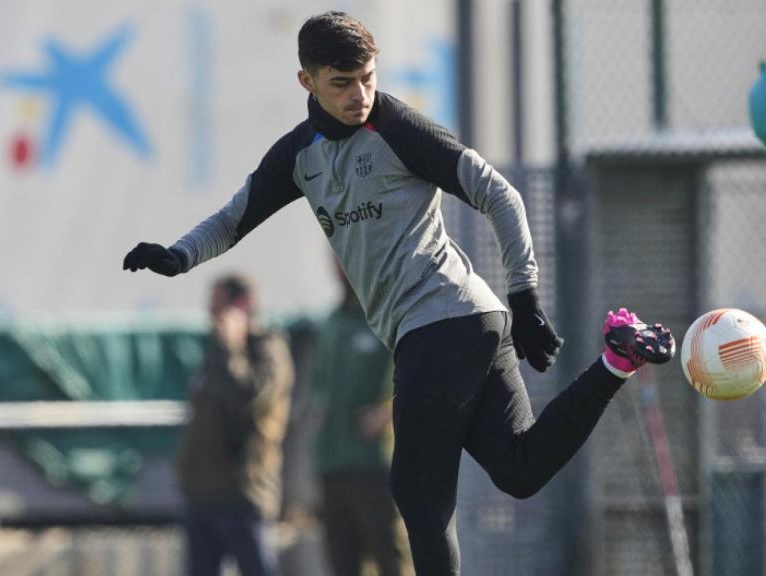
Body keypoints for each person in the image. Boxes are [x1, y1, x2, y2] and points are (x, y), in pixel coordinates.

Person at [125, 12, 675, 575]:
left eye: (367, 76)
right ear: (306, 82)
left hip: (442, 319)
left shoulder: (397, 128)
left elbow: (499, 193)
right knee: (518, 469)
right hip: (465, 320)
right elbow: (233, 218)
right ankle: (617, 360)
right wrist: (178, 256)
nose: (360, 93)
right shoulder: (298, 155)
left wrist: (525, 293)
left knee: (416, 490)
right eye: (342, 82)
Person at [176, 274, 294, 576]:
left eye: (218, 306)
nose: (212, 315)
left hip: (243, 493)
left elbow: (249, 396)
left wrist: (232, 347)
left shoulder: (267, 348)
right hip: (202, 494)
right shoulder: (214, 354)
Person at [309, 260, 411, 576]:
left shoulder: (390, 319)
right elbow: (318, 386)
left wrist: (387, 413)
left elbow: (425, 378)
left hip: (374, 465)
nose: (341, 266)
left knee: (389, 555)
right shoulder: (333, 322)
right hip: (331, 463)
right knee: (342, 561)